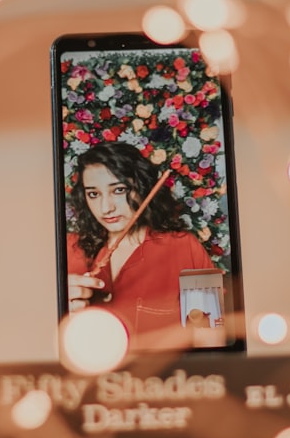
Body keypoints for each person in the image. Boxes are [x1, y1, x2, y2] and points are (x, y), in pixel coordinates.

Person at [66, 142, 217, 349]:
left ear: (142, 188)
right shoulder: (68, 248)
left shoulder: (186, 247)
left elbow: (210, 341)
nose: (105, 208)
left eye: (119, 190)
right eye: (93, 194)